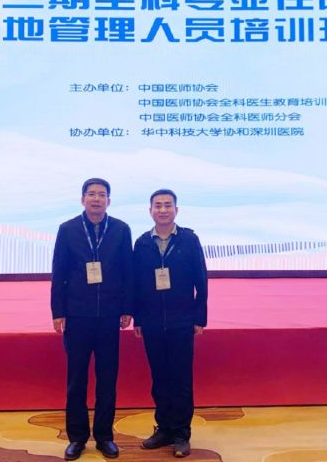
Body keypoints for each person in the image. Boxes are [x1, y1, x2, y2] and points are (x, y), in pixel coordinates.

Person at [51, 178, 133, 460]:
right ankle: (77, 438)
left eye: (102, 195)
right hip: (77, 315)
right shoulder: (68, 229)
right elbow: (59, 273)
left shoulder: (121, 229)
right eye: (91, 194)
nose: (96, 199)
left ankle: (104, 436)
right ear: (82, 199)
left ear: (109, 200)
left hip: (109, 315)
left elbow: (128, 272)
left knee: (107, 379)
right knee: (76, 380)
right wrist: (58, 311)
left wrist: (127, 308)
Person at [133, 189, 208, 458]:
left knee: (181, 379)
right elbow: (137, 285)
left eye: (168, 205)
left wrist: (199, 317)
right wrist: (138, 318)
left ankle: (181, 434)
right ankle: (163, 429)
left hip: (182, 321)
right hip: (152, 322)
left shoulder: (189, 239)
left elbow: (201, 280)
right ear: (150, 210)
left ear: (176, 210)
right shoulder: (142, 243)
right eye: (158, 205)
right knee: (159, 378)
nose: (163, 210)